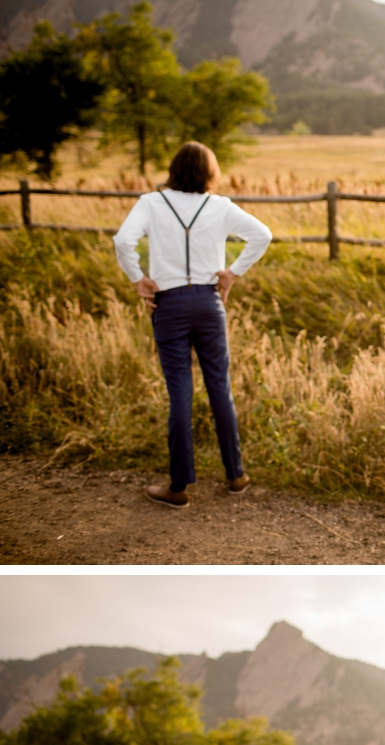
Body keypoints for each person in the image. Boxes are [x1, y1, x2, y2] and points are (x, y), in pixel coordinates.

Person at [112, 141, 272, 508]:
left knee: (180, 392)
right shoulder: (219, 206)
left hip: (168, 304)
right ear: (210, 172)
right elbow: (263, 234)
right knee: (220, 386)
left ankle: (179, 487)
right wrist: (231, 274)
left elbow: (123, 241)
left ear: (174, 168)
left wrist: (138, 278)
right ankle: (236, 475)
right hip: (209, 301)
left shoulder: (151, 202)